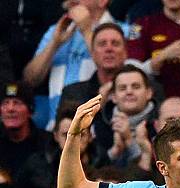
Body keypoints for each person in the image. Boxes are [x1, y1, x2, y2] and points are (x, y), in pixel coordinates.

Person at [23, 0, 125, 129]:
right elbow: (30, 80)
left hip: (96, 127)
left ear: (102, 1)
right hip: (58, 128)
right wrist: (55, 43)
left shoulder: (122, 31)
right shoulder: (56, 30)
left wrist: (87, 30)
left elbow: (121, 73)